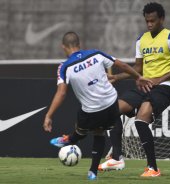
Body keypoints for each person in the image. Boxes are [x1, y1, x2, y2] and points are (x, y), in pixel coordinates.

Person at [43, 31, 152, 181]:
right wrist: (138, 77)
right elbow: (123, 65)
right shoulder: (96, 54)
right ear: (79, 45)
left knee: (81, 129)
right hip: (112, 104)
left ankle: (70, 140)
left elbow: (61, 93)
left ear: (64, 47)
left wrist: (49, 115)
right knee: (99, 132)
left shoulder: (65, 67)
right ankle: (93, 172)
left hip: (91, 110)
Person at [99, 2, 170, 177]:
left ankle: (153, 168)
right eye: (147, 21)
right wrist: (117, 77)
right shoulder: (141, 39)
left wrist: (159, 79)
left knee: (141, 119)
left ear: (161, 19)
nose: (149, 24)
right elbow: (138, 68)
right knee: (112, 110)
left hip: (164, 87)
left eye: (152, 21)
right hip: (145, 86)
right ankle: (116, 157)